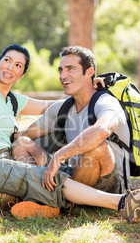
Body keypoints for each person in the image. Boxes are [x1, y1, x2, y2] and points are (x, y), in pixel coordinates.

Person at [0, 15, 140, 223]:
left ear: (22, 74)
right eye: (7, 60)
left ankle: (51, 202)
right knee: (32, 159)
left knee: (71, 149)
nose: (10, 67)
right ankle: (115, 203)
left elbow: (64, 110)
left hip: (101, 174)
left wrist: (94, 85)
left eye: (18, 65)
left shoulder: (15, 101)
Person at [13, 46, 130, 195]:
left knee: (96, 147)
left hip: (110, 184)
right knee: (21, 144)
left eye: (70, 69)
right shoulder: (62, 108)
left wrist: (58, 156)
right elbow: (27, 134)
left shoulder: (106, 102)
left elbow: (102, 130)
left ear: (89, 72)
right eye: (61, 70)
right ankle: (41, 195)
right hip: (76, 176)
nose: (63, 75)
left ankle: (63, 200)